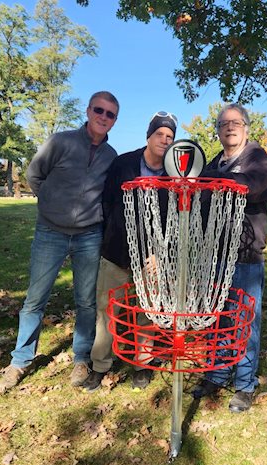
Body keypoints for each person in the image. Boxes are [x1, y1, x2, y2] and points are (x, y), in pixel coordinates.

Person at [0, 91, 119, 392]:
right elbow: (35, 175)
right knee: (35, 299)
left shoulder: (111, 156)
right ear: (88, 110)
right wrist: (51, 204)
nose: (103, 117)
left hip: (90, 235)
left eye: (110, 114)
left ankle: (81, 358)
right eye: (99, 110)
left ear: (114, 121)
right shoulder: (61, 141)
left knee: (86, 301)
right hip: (50, 232)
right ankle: (20, 361)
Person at [82, 111, 177, 392]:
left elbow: (176, 218)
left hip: (152, 257)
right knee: (106, 310)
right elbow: (108, 203)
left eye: (170, 136)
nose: (164, 139)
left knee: (147, 311)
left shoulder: (174, 173)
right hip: (117, 252)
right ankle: (100, 365)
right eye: (159, 134)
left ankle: (142, 365)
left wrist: (161, 253)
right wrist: (115, 237)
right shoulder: (123, 163)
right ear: (148, 136)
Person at [192, 103, 267, 412]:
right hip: (216, 253)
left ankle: (245, 384)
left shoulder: (256, 158)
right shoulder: (215, 163)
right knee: (219, 317)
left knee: (245, 320)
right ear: (218, 130)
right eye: (224, 123)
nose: (230, 127)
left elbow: (252, 186)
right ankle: (217, 373)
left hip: (246, 254)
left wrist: (212, 183)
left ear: (246, 128)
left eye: (236, 122)